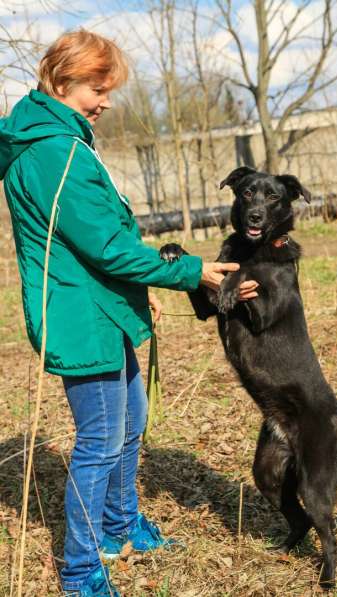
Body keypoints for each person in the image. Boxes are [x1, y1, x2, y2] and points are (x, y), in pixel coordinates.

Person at [0, 30, 259, 596]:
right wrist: (190, 273)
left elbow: (99, 238)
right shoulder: (51, 151)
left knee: (130, 422)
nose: (107, 100)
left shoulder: (64, 138)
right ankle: (80, 569)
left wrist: (133, 301)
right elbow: (106, 246)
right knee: (99, 438)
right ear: (63, 80)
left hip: (101, 307)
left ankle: (120, 527)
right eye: (99, 87)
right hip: (78, 313)